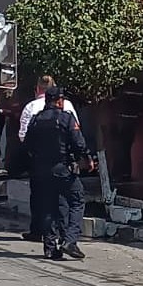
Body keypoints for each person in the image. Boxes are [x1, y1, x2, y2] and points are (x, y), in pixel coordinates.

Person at [24, 86, 93, 260]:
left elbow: (27, 144)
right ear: (60, 101)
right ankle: (70, 241)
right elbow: (79, 143)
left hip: (41, 170)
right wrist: (86, 158)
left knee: (47, 207)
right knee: (77, 201)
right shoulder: (66, 118)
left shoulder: (36, 119)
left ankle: (50, 248)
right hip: (62, 168)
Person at [18, 75, 79, 241]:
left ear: (37, 89)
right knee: (63, 199)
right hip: (63, 160)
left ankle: (40, 233)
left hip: (39, 161)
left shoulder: (31, 107)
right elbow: (76, 131)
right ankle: (63, 235)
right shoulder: (67, 106)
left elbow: (23, 136)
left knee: (40, 197)